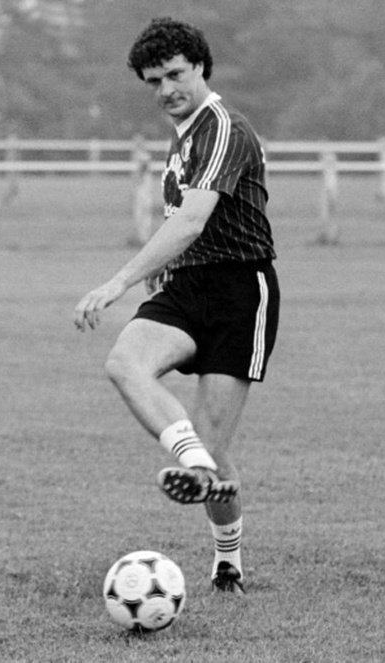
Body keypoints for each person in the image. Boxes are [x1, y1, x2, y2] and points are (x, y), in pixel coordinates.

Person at [73, 17, 280, 595]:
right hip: (188, 288)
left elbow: (192, 219)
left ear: (200, 68)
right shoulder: (185, 133)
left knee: (214, 453)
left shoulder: (224, 127)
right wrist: (162, 264)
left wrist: (118, 281)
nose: (165, 90)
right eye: (154, 81)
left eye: (175, 74)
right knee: (124, 362)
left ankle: (227, 560)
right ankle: (191, 460)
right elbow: (181, 219)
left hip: (241, 292)